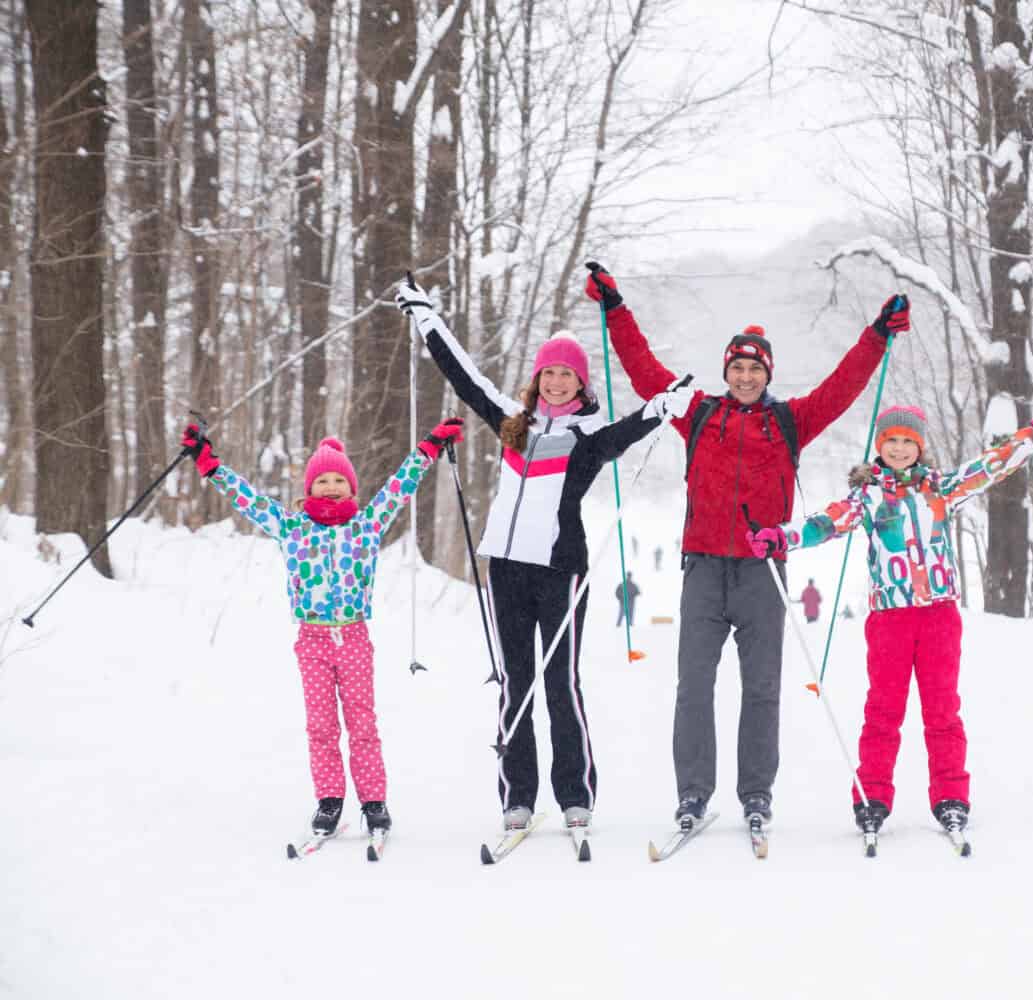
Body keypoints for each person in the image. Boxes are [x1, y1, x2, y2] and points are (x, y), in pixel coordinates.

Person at [584, 261, 909, 832]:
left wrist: (877, 335)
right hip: (705, 569)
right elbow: (643, 372)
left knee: (762, 690)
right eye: (736, 367)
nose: (744, 376)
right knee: (694, 688)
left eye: (753, 369)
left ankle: (756, 794)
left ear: (767, 374)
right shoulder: (699, 413)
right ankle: (692, 793)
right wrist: (615, 307)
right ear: (725, 370)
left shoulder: (790, 421)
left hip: (764, 574)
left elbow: (843, 385)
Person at [397, 276, 694, 836]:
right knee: (515, 683)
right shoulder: (514, 421)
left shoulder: (588, 436)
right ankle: (518, 796)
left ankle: (575, 794)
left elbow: (631, 430)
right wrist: (427, 320)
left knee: (560, 683)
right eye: (549, 373)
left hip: (561, 571)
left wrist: (664, 407)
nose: (557, 382)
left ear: (581, 383)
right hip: (506, 569)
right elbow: (466, 377)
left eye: (568, 375)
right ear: (538, 379)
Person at [747, 402, 1033, 837]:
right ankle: (874, 798)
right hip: (891, 621)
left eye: (907, 441)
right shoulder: (868, 496)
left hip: (938, 616)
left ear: (919, 446)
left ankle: (951, 797)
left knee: (942, 711)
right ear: (879, 445)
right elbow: (828, 522)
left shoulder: (940, 488)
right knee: (883, 712)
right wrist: (782, 538)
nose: (899, 449)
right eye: (891, 441)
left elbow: (990, 467)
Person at [179, 417, 464, 840]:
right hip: (311, 641)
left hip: (353, 638)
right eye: (322, 481)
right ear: (308, 489)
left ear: (351, 489)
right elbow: (250, 502)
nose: (330, 486)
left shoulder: (366, 526)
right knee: (321, 727)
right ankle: (330, 800)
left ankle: (373, 802)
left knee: (362, 724)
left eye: (338, 480)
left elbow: (398, 489)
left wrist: (428, 449)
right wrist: (210, 465)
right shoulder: (291, 528)